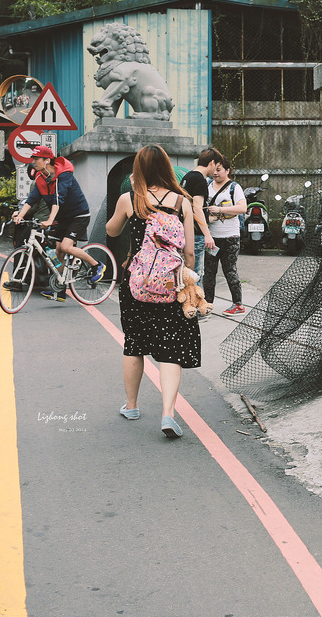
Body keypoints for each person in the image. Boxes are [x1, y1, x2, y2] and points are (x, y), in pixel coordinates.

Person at [105, 144, 200, 438]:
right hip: (172, 283)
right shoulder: (182, 202)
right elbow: (190, 251)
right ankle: (168, 414)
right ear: (167, 168)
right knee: (170, 348)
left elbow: (110, 231)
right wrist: (190, 282)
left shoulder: (129, 199)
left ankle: (131, 406)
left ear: (139, 170)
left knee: (134, 344)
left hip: (137, 282)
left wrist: (133, 193)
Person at [10, 145, 104, 301]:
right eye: (33, 159)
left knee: (66, 246)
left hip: (78, 215)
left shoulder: (63, 175)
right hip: (63, 218)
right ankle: (60, 288)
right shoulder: (40, 177)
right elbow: (32, 199)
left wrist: (50, 220)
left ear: (47, 160)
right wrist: (20, 215)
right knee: (59, 251)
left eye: (36, 159)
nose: (33, 162)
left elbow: (58, 199)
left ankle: (96, 265)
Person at [203, 157, 247, 316]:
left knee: (230, 270)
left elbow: (243, 208)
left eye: (219, 170)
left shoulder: (234, 188)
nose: (215, 173)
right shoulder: (207, 185)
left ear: (228, 170)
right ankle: (207, 305)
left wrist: (219, 210)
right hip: (212, 238)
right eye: (214, 169)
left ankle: (238, 304)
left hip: (230, 237)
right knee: (209, 272)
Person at [180, 147, 219, 294]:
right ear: (212, 162)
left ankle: (186, 307)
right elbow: (197, 208)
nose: (215, 170)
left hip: (184, 231)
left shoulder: (187, 176)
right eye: (216, 166)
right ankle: (195, 310)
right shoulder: (199, 180)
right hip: (195, 234)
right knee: (195, 273)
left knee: (185, 273)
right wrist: (207, 234)